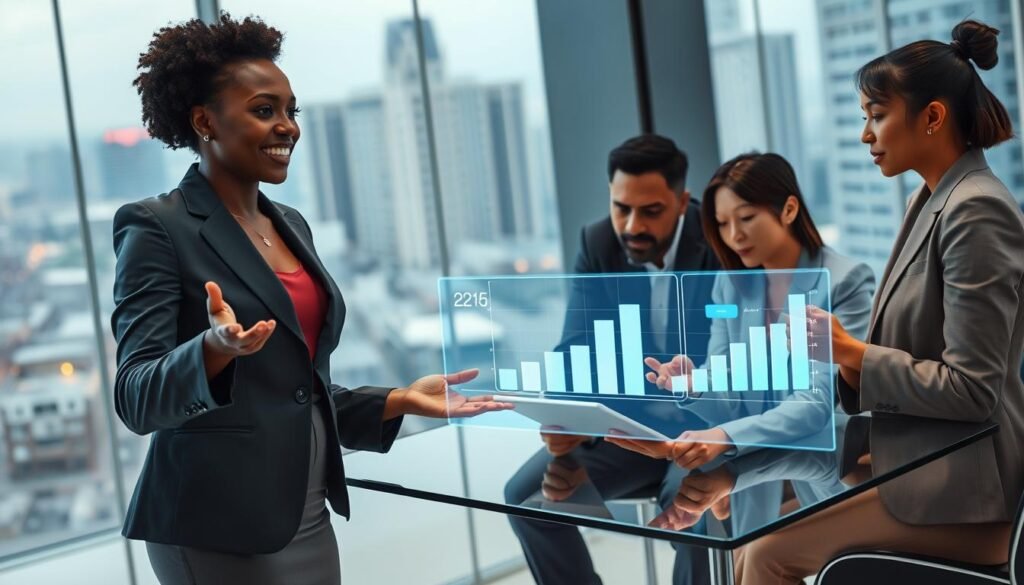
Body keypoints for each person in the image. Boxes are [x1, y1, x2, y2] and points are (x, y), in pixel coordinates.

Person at [111, 15, 508, 585]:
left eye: (291, 111)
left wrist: (399, 399)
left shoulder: (290, 224)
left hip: (305, 510)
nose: (288, 127)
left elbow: (295, 391)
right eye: (265, 110)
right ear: (205, 121)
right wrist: (213, 350)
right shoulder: (156, 227)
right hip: (216, 527)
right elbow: (135, 397)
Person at [732, 20, 1024, 584]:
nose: (866, 134)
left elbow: (973, 388)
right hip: (921, 462)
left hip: (970, 493)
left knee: (767, 553)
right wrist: (843, 356)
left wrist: (850, 351)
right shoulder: (931, 198)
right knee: (749, 549)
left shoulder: (975, 209)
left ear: (932, 117)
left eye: (876, 114)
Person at [606, 152, 875, 534]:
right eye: (722, 224)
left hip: (823, 474)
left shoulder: (843, 280)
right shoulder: (730, 286)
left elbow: (816, 408)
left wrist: (726, 438)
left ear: (788, 209)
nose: (734, 236)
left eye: (746, 218)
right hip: (752, 475)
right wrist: (695, 385)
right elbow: (730, 406)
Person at [503, 134, 719, 585]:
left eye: (651, 211)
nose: (632, 225)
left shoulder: (721, 238)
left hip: (705, 431)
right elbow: (576, 344)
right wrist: (565, 422)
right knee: (526, 500)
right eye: (622, 208)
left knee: (697, 515)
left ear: (682, 202)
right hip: (628, 433)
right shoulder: (599, 241)